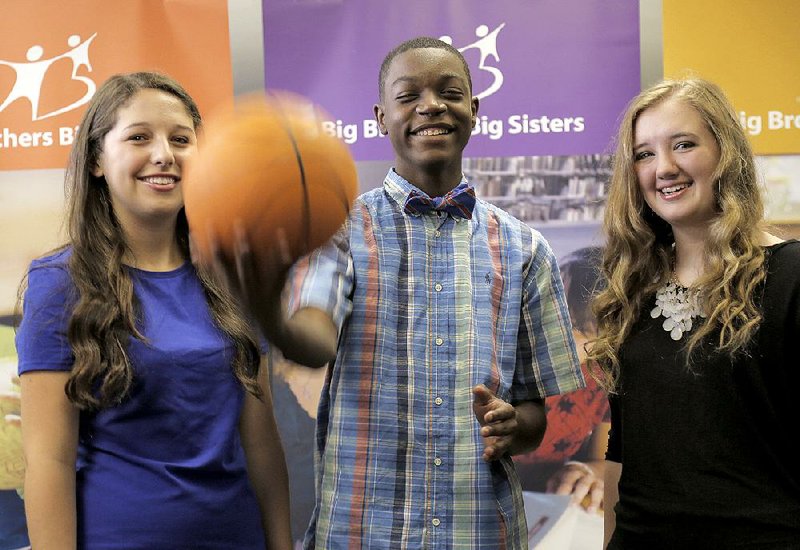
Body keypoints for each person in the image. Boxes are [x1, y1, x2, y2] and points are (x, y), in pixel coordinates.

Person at [216, 37, 584, 549]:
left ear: (473, 111)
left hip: (477, 532)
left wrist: (510, 426)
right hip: (362, 531)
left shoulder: (526, 248)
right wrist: (265, 305)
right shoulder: (339, 230)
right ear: (380, 117)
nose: (430, 105)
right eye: (408, 95)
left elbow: (533, 418)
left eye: (449, 92)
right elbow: (313, 340)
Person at [15, 72, 291, 549]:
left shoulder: (234, 279)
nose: (164, 154)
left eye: (181, 140)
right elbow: (48, 461)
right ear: (98, 159)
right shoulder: (60, 282)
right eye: (139, 137)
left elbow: (261, 447)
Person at [590, 77, 800, 549]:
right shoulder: (629, 293)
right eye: (644, 154)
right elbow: (621, 452)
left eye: (683, 144)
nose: (664, 168)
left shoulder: (792, 277)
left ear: (726, 153)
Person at [514, 247, 609, 515]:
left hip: (546, 506)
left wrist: (586, 471)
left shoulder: (601, 383)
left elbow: (603, 461)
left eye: (578, 329)